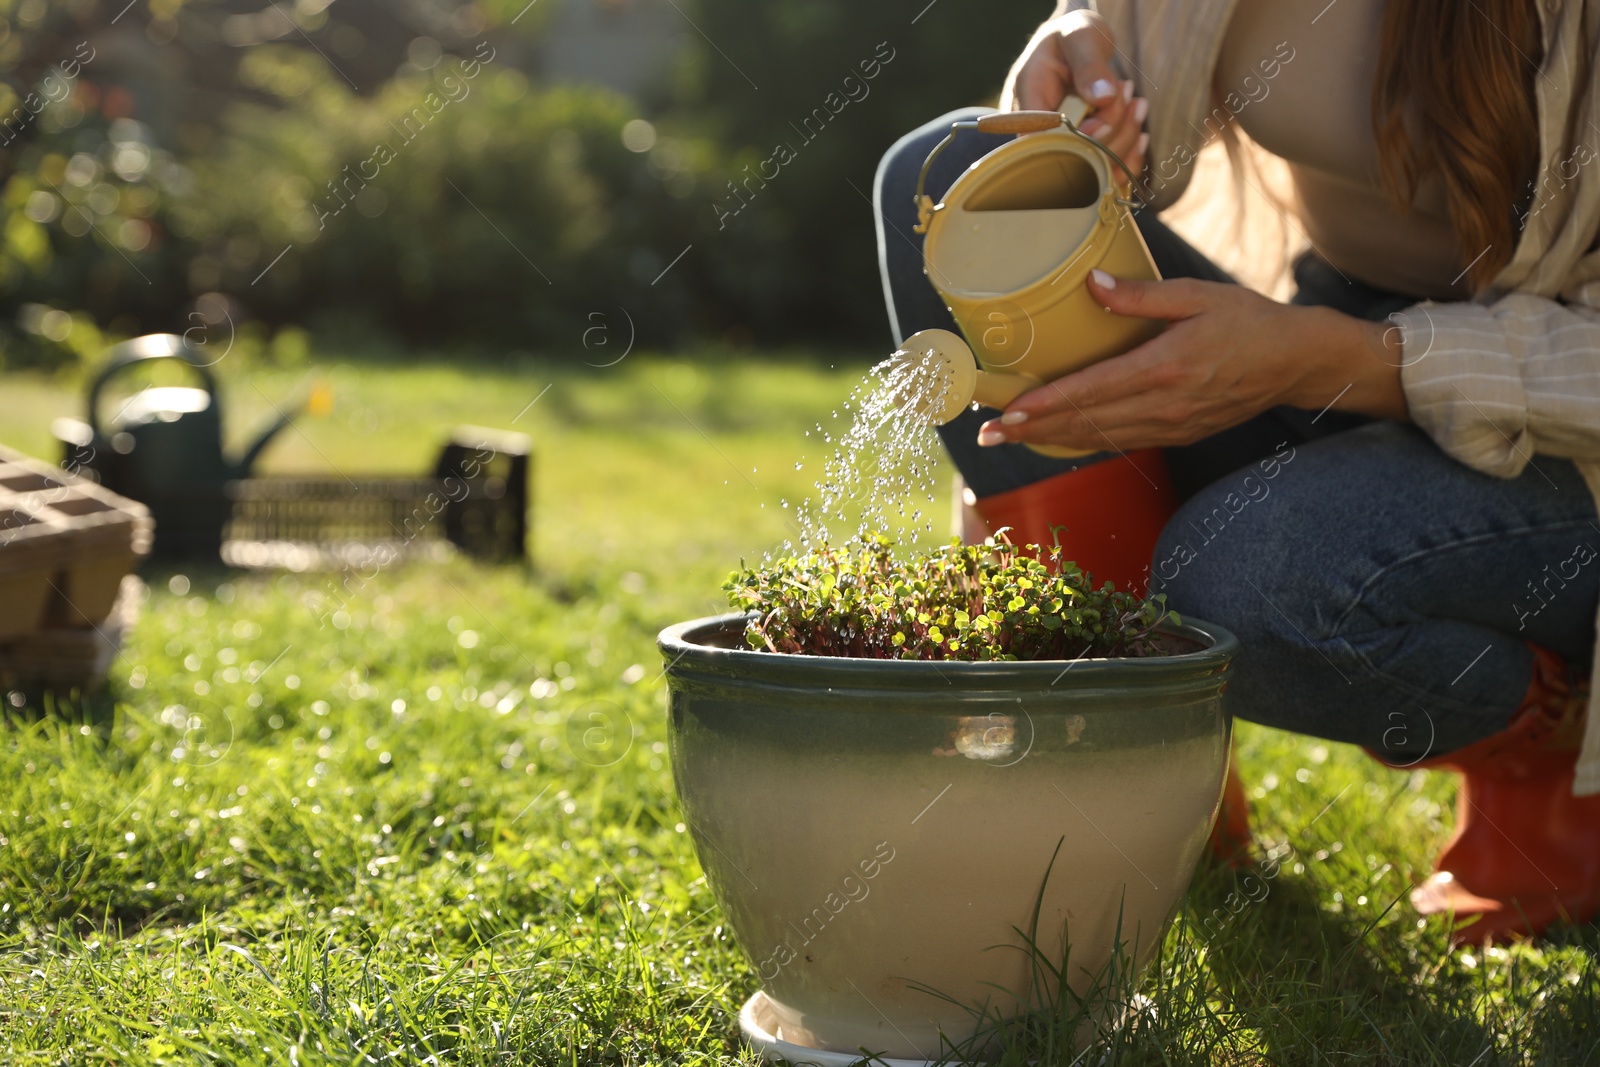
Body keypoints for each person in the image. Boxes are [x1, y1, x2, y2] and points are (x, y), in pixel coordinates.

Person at [873, 0, 1600, 944]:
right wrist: (1080, 55)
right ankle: (1140, 767)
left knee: (1245, 587)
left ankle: (1549, 753)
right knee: (965, 175)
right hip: (1327, 330)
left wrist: (1328, 360)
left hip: (1568, 444)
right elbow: (1115, 40)